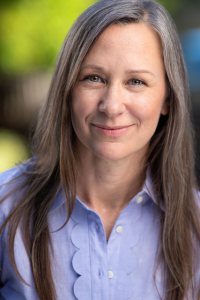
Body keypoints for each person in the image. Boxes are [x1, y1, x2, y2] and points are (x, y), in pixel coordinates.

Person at [0, 0, 200, 299]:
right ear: (68, 89)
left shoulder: (195, 224)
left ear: (168, 99)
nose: (112, 106)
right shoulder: (6, 208)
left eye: (136, 81)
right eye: (94, 78)